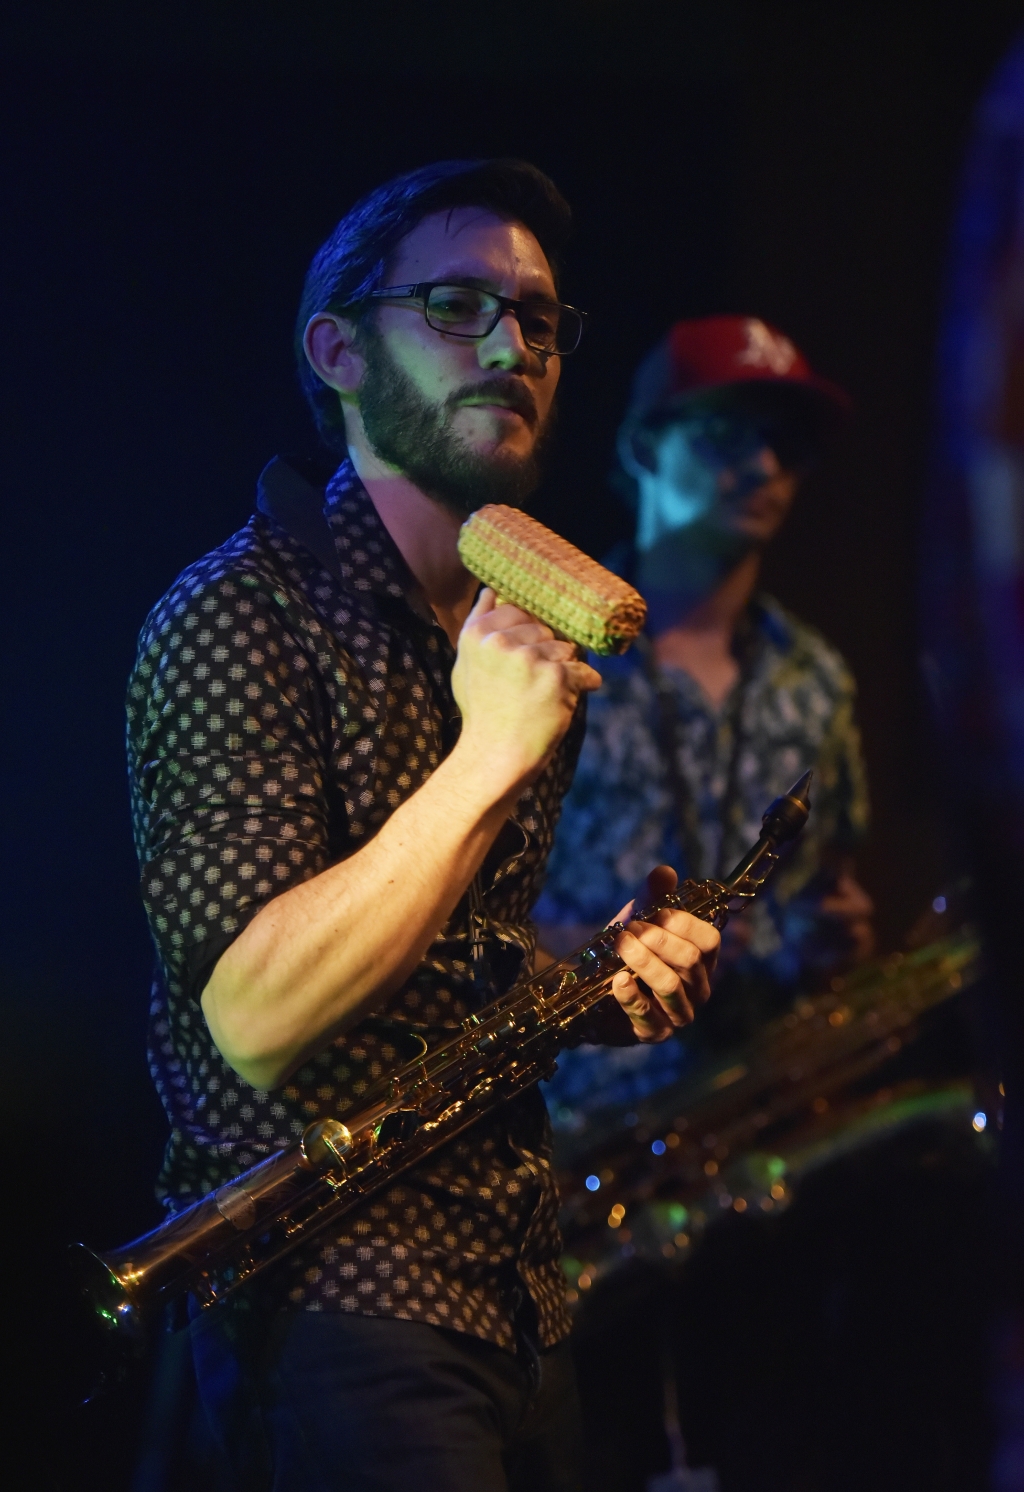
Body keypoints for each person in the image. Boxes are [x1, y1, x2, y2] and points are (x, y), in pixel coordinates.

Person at [126, 159, 720, 1492]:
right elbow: (258, 1013)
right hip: (332, 1291)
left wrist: (595, 971)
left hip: (516, 1279)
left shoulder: (505, 623)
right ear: (336, 349)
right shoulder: (243, 615)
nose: (512, 345)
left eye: (542, 319)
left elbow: (441, 955)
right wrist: (489, 759)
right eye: (457, 305)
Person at [535, 315, 874, 1122]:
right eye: (725, 436)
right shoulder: (538, 650)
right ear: (643, 449)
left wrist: (843, 935)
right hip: (577, 1125)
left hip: (771, 1119)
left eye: (786, 446)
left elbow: (839, 887)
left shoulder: (821, 678)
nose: (763, 466)